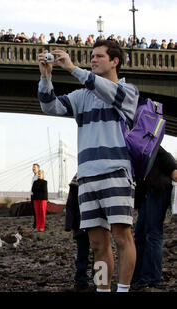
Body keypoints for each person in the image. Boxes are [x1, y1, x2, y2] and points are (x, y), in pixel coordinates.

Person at [38, 40, 139, 292]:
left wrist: (72, 68)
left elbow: (104, 89)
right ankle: (103, 289)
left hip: (116, 173)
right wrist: (46, 77)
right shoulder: (82, 96)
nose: (93, 60)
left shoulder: (127, 91)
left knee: (121, 237)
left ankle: (124, 290)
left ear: (115, 61)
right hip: (87, 176)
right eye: (92, 56)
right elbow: (50, 106)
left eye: (99, 57)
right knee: (97, 243)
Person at [132, 147, 177, 289]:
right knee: (139, 235)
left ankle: (151, 278)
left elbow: (163, 153)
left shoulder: (141, 138)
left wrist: (173, 170)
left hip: (157, 188)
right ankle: (138, 276)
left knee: (153, 233)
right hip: (146, 192)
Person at [64, 174, 94, 291]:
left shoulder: (78, 178)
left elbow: (70, 205)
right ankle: (83, 280)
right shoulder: (77, 180)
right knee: (84, 253)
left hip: (89, 222)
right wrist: (69, 224)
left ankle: (95, 281)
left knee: (96, 252)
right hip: (82, 223)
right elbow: (71, 204)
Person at [30, 163, 40, 229]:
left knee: (37, 210)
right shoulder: (33, 176)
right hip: (32, 195)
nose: (33, 169)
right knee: (34, 210)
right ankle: (35, 223)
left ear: (38, 168)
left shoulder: (38, 176)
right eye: (33, 167)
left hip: (36, 195)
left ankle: (37, 224)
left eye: (35, 167)